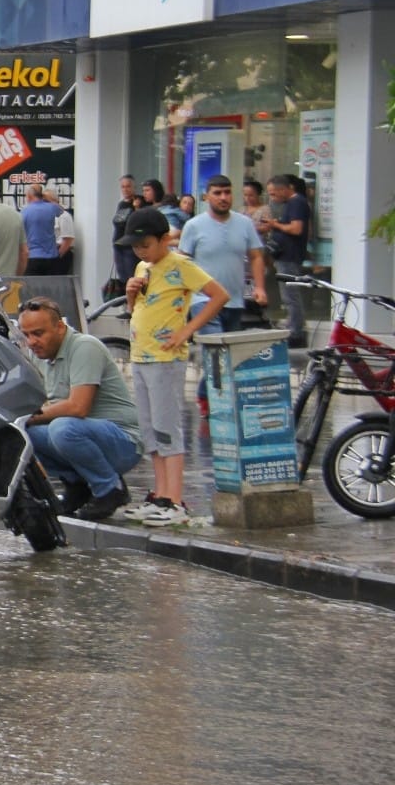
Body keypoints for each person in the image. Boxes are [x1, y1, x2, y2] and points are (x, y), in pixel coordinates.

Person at [119, 206, 230, 525]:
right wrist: (130, 295)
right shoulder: (143, 267)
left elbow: (218, 295)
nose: (141, 251)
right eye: (136, 247)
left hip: (166, 358)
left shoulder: (180, 265)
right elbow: (138, 308)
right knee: (150, 429)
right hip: (141, 355)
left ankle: (175, 499)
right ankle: (160, 494)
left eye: (146, 245)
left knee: (168, 427)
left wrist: (187, 331)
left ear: (165, 239)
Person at [19, 297, 143, 520]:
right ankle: (78, 487)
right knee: (20, 435)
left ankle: (110, 489)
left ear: (59, 327)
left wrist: (28, 416)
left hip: (124, 442)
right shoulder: (39, 355)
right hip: (85, 436)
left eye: (38, 333)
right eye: (26, 335)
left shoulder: (85, 346)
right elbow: (42, 404)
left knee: (62, 428)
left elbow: (78, 407)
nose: (32, 342)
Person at [178, 174, 269, 414]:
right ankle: (214, 405)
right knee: (217, 353)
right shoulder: (194, 225)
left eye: (227, 192)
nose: (223, 198)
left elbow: (257, 256)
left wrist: (260, 288)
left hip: (234, 300)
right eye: (217, 193)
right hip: (203, 301)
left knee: (227, 357)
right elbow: (183, 262)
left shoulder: (244, 223)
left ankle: (205, 395)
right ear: (207, 196)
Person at [260, 173, 311, 348]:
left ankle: (296, 330)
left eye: (274, 194)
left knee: (291, 295)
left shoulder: (297, 202)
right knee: (288, 294)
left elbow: (296, 229)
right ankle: (292, 323)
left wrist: (276, 225)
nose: (272, 198)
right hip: (285, 256)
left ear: (284, 189)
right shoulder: (291, 204)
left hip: (290, 256)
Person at [20, 183, 62, 275]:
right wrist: (46, 198)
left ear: (29, 196)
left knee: (31, 287)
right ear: (42, 195)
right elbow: (61, 210)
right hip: (52, 256)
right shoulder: (52, 208)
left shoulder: (24, 212)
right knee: (51, 287)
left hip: (33, 256)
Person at [108, 175, 139, 297]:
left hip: (130, 245)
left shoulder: (137, 202)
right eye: (123, 187)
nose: (125, 189)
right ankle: (126, 304)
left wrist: (136, 207)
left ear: (133, 187)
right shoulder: (121, 204)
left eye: (128, 186)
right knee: (123, 276)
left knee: (132, 275)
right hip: (118, 243)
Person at [45, 189, 76, 275]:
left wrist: (57, 257)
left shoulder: (63, 216)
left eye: (48, 201)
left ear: (56, 201)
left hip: (60, 253)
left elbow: (68, 239)